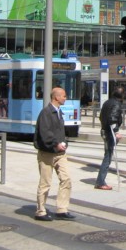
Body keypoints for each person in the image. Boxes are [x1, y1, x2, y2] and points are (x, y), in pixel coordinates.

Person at [33, 87, 74, 221]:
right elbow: (45, 133)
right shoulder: (46, 113)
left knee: (66, 178)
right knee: (45, 182)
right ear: (56, 97)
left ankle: (62, 209)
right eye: (64, 96)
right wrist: (56, 143)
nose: (65, 98)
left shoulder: (58, 112)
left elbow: (59, 131)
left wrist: (64, 142)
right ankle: (40, 211)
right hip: (47, 153)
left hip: (60, 153)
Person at [95, 88, 123, 190]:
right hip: (109, 132)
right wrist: (116, 132)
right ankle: (100, 182)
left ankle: (100, 181)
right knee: (107, 157)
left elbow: (101, 117)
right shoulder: (116, 104)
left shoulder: (107, 102)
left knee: (108, 155)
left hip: (104, 130)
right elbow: (113, 118)